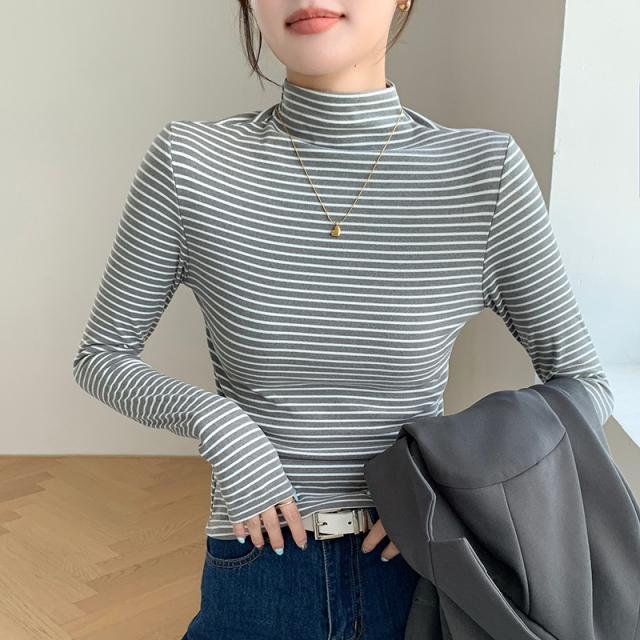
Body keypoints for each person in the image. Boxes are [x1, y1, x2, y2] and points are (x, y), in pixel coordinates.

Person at [71, 0, 615, 638]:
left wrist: (444, 480)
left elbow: (583, 383)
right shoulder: (189, 162)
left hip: (422, 568)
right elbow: (99, 357)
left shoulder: (483, 172)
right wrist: (219, 424)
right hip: (258, 562)